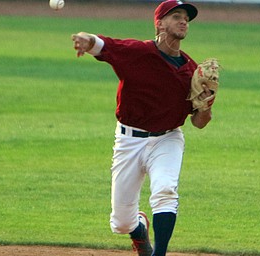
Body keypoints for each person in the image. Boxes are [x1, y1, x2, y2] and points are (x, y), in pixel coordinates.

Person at [71, 1, 214, 255]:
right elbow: (104, 45)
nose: (183, 21)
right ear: (159, 23)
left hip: (167, 140)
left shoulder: (191, 71)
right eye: (176, 16)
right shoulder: (138, 53)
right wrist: (86, 39)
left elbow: (199, 123)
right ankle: (138, 229)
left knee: (165, 191)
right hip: (129, 140)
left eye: (186, 18)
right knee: (121, 222)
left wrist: (206, 106)